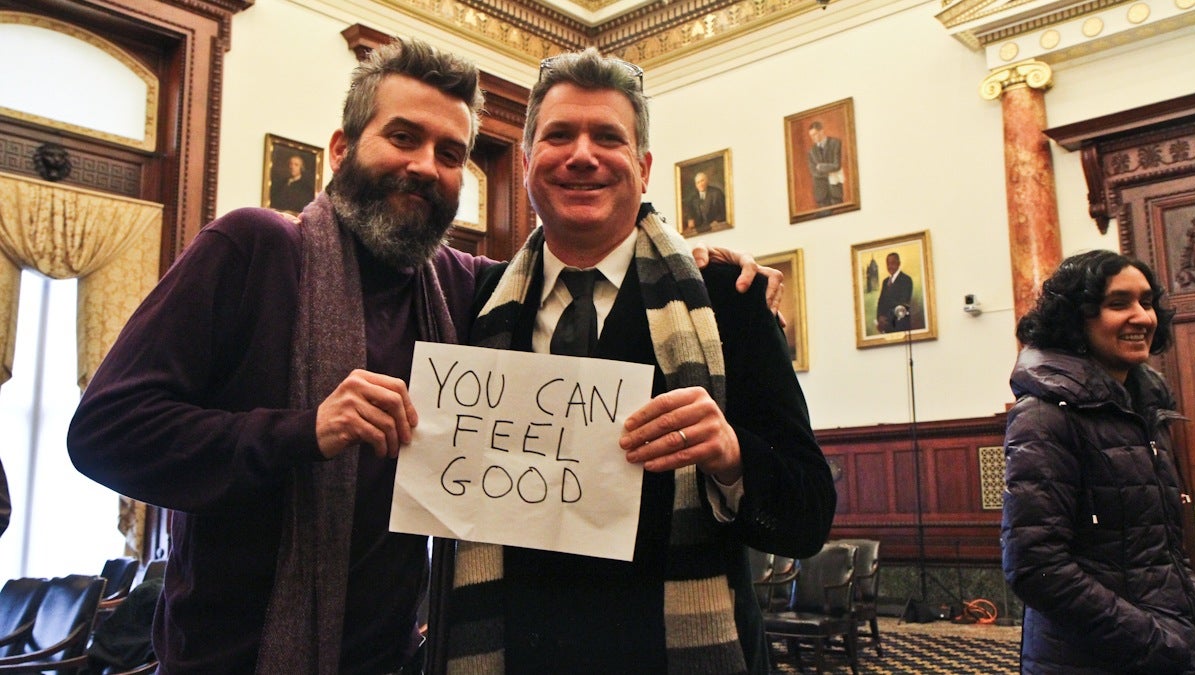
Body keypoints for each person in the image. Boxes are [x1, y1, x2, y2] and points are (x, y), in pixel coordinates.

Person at [66, 37, 781, 674]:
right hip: (233, 656)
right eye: (402, 137)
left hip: (400, 656)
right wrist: (301, 430)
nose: (424, 167)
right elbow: (106, 432)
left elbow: (590, 252)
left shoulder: (468, 289)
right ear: (340, 149)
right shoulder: (251, 248)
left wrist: (696, 265)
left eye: (450, 154)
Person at [443, 48, 836, 674]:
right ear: (526, 164)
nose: (581, 155)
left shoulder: (727, 304)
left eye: (608, 137)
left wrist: (732, 457)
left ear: (644, 167)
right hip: (516, 654)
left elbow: (808, 516)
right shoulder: (474, 306)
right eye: (560, 135)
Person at [1001, 250, 1195, 674]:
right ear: (1076, 319)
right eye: (1118, 303)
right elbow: (1036, 566)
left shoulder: (1145, 412)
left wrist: (1188, 615)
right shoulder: (1044, 415)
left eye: (1146, 302)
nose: (1142, 317)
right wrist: (1156, 639)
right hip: (1090, 659)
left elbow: (1159, 553)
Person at [806, 120, 843, 207]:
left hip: (835, 190)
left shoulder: (835, 143)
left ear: (822, 131)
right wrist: (830, 170)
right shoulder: (811, 151)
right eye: (811, 135)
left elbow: (837, 165)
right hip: (821, 194)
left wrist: (821, 167)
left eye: (815, 134)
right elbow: (813, 172)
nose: (813, 138)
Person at [875, 251, 912, 333]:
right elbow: (880, 302)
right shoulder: (885, 282)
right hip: (886, 327)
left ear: (899, 263)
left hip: (900, 325)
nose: (890, 266)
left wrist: (886, 319)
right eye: (888, 263)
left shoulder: (906, 280)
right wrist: (879, 318)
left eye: (893, 263)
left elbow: (903, 304)